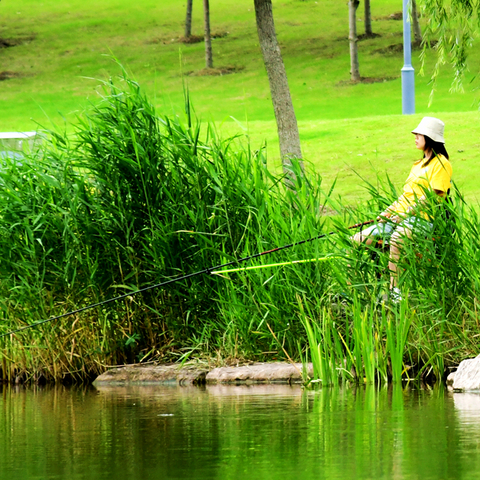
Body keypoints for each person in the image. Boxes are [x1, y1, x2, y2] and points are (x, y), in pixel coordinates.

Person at [351, 116, 453, 302]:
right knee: (357, 239)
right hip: (399, 217)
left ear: (430, 137)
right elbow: (404, 196)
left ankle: (394, 291)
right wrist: (388, 211)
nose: (414, 137)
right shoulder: (417, 165)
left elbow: (431, 196)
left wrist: (405, 214)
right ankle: (360, 288)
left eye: (419, 134)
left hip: (423, 219)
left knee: (398, 238)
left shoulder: (442, 164)